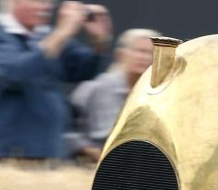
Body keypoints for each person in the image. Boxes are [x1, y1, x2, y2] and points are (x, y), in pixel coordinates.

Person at [0, 0, 112, 160]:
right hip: (11, 156)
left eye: (50, 2)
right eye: (38, 1)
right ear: (12, 0)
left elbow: (83, 71)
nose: (47, 7)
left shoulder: (47, 36)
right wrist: (62, 33)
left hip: (52, 152)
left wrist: (100, 42)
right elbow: (15, 74)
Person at [65, 28, 160, 163]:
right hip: (92, 167)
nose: (144, 58)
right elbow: (66, 129)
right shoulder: (96, 88)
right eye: (139, 51)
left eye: (151, 53)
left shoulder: (161, 95)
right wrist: (87, 149)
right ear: (120, 54)